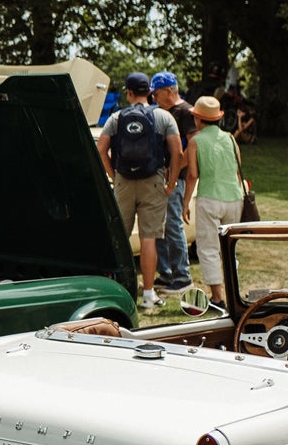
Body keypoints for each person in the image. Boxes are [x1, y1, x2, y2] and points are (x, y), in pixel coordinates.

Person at [97, 72, 183, 312]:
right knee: (148, 238)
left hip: (124, 181)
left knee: (120, 238)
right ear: (149, 92)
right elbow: (177, 152)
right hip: (153, 181)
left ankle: (115, 290)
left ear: (129, 92)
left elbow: (101, 148)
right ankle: (147, 295)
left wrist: (114, 177)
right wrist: (172, 181)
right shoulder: (163, 116)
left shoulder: (116, 117)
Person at [186, 95, 245, 308]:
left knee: (208, 247)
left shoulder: (195, 142)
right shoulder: (230, 138)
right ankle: (233, 292)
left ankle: (217, 296)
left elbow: (192, 175)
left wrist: (185, 203)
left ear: (198, 119)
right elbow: (238, 167)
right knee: (229, 248)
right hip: (234, 197)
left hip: (209, 197)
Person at [151, 71, 197, 292]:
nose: (154, 98)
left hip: (175, 179)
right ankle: (166, 273)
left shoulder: (185, 112)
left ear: (169, 90)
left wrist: (177, 168)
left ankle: (182, 276)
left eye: (156, 93)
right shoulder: (162, 112)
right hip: (160, 176)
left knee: (172, 225)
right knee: (159, 226)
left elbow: (193, 144)